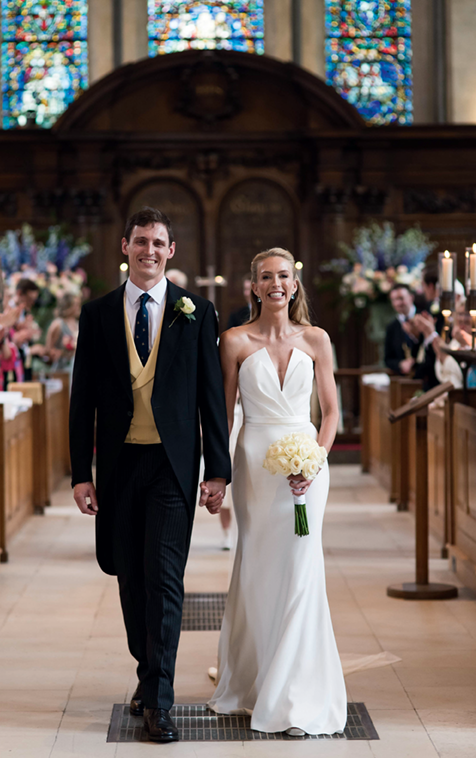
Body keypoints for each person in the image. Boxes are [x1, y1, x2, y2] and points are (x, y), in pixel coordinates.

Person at [70, 207, 231, 743]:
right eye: (140, 241)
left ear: (171, 250)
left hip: (172, 467)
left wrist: (219, 470)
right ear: (124, 246)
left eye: (158, 243)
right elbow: (82, 400)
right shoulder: (96, 315)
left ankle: (160, 700)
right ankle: (148, 671)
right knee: (130, 578)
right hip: (118, 466)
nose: (149, 251)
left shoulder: (198, 312)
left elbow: (212, 397)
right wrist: (80, 473)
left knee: (164, 580)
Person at [208, 247, 346, 736]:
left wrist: (317, 458)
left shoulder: (317, 339)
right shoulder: (233, 341)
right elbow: (223, 415)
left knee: (303, 567)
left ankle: (295, 693)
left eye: (283, 276)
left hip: (308, 467)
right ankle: (256, 678)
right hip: (254, 468)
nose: (275, 284)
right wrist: (217, 473)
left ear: (294, 282)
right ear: (253, 286)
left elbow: (329, 413)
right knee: (261, 569)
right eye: (266, 277)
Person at [44, 293, 81, 372]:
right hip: (61, 369)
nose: (79, 307)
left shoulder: (78, 324)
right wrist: (63, 351)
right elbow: (48, 350)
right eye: (76, 305)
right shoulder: (58, 324)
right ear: (68, 306)